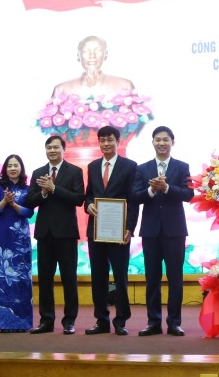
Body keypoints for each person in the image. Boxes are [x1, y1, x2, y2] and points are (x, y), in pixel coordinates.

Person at [132, 126, 193, 337]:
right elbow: (135, 196)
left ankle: (174, 322)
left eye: (165, 140)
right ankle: (153, 322)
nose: (161, 143)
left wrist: (166, 188)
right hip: (150, 231)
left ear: (172, 142)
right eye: (157, 140)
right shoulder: (143, 168)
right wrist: (151, 190)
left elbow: (189, 194)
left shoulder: (182, 167)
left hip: (175, 231)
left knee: (175, 278)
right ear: (152, 143)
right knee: (152, 278)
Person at [26, 136, 85, 335]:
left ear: (63, 149)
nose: (52, 150)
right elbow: (29, 202)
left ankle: (69, 321)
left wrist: (54, 189)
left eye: (56, 147)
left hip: (66, 234)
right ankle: (46, 320)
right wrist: (43, 193)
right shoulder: (38, 172)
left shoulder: (74, 171)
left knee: (69, 278)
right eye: (49, 147)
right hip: (44, 233)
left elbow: (78, 199)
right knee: (45, 279)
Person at [83, 126, 139, 336]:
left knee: (120, 277)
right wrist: (88, 205)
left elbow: (133, 202)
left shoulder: (130, 166)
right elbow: (88, 196)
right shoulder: (93, 166)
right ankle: (101, 320)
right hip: (96, 230)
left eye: (110, 140)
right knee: (98, 277)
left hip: (118, 231)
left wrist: (129, 228)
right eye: (102, 140)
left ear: (118, 141)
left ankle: (121, 320)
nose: (106, 144)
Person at [0, 154, 34, 333]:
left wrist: (14, 205)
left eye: (16, 165)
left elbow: (29, 213)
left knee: (21, 277)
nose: (13, 168)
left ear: (21, 168)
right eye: (9, 166)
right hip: (2, 237)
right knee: (2, 277)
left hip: (20, 239)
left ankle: (22, 322)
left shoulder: (28, 189)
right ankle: (2, 321)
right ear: (5, 169)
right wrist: (5, 201)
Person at [51, 36, 136, 99]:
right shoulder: (61, 89)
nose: (92, 55)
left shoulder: (125, 86)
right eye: (86, 51)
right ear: (78, 55)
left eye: (98, 50)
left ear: (105, 54)